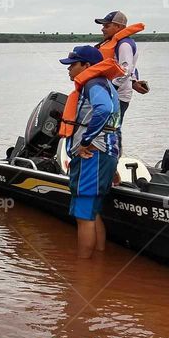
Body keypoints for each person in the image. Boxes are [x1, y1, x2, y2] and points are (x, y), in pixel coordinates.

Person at [59, 45, 121, 259]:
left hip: (92, 157)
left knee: (84, 215)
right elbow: (115, 125)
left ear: (87, 65)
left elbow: (104, 109)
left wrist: (85, 141)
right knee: (93, 213)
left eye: (72, 65)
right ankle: (96, 264)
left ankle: (83, 270)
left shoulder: (93, 83)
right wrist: (114, 164)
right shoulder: (105, 84)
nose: (69, 69)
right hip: (103, 156)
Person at [93, 10, 145, 119]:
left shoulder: (124, 44)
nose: (103, 29)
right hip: (111, 94)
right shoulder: (115, 43)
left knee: (110, 127)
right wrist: (134, 81)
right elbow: (130, 68)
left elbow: (126, 69)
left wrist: (112, 88)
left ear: (118, 27)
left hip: (118, 96)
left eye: (107, 26)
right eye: (103, 26)